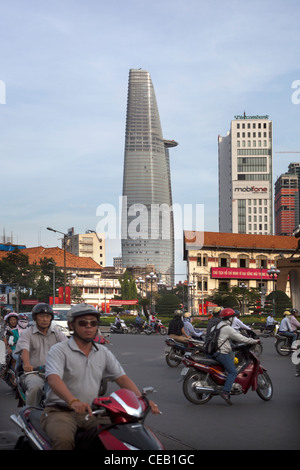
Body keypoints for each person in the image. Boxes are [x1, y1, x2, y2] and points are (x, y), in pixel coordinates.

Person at [40, 303, 160, 450]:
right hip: (60, 412)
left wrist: (142, 399)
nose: (88, 327)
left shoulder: (102, 352)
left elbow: (121, 378)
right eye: (83, 323)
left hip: (93, 412)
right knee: (64, 441)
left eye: (93, 323)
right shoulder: (59, 350)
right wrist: (73, 401)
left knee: (121, 434)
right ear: (71, 326)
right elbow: (53, 378)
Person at [15, 303, 67, 406]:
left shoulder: (57, 334)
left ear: (51, 319)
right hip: (34, 373)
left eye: (47, 317)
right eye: (41, 316)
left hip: (55, 373)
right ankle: (30, 412)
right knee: (35, 388)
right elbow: (24, 349)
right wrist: (26, 364)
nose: (44, 319)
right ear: (35, 318)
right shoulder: (27, 333)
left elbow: (68, 348)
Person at [208, 308, 260, 405]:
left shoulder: (215, 327)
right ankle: (226, 392)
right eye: (233, 317)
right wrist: (254, 341)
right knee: (232, 372)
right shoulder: (227, 328)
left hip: (212, 352)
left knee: (227, 369)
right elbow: (240, 338)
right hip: (221, 353)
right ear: (230, 318)